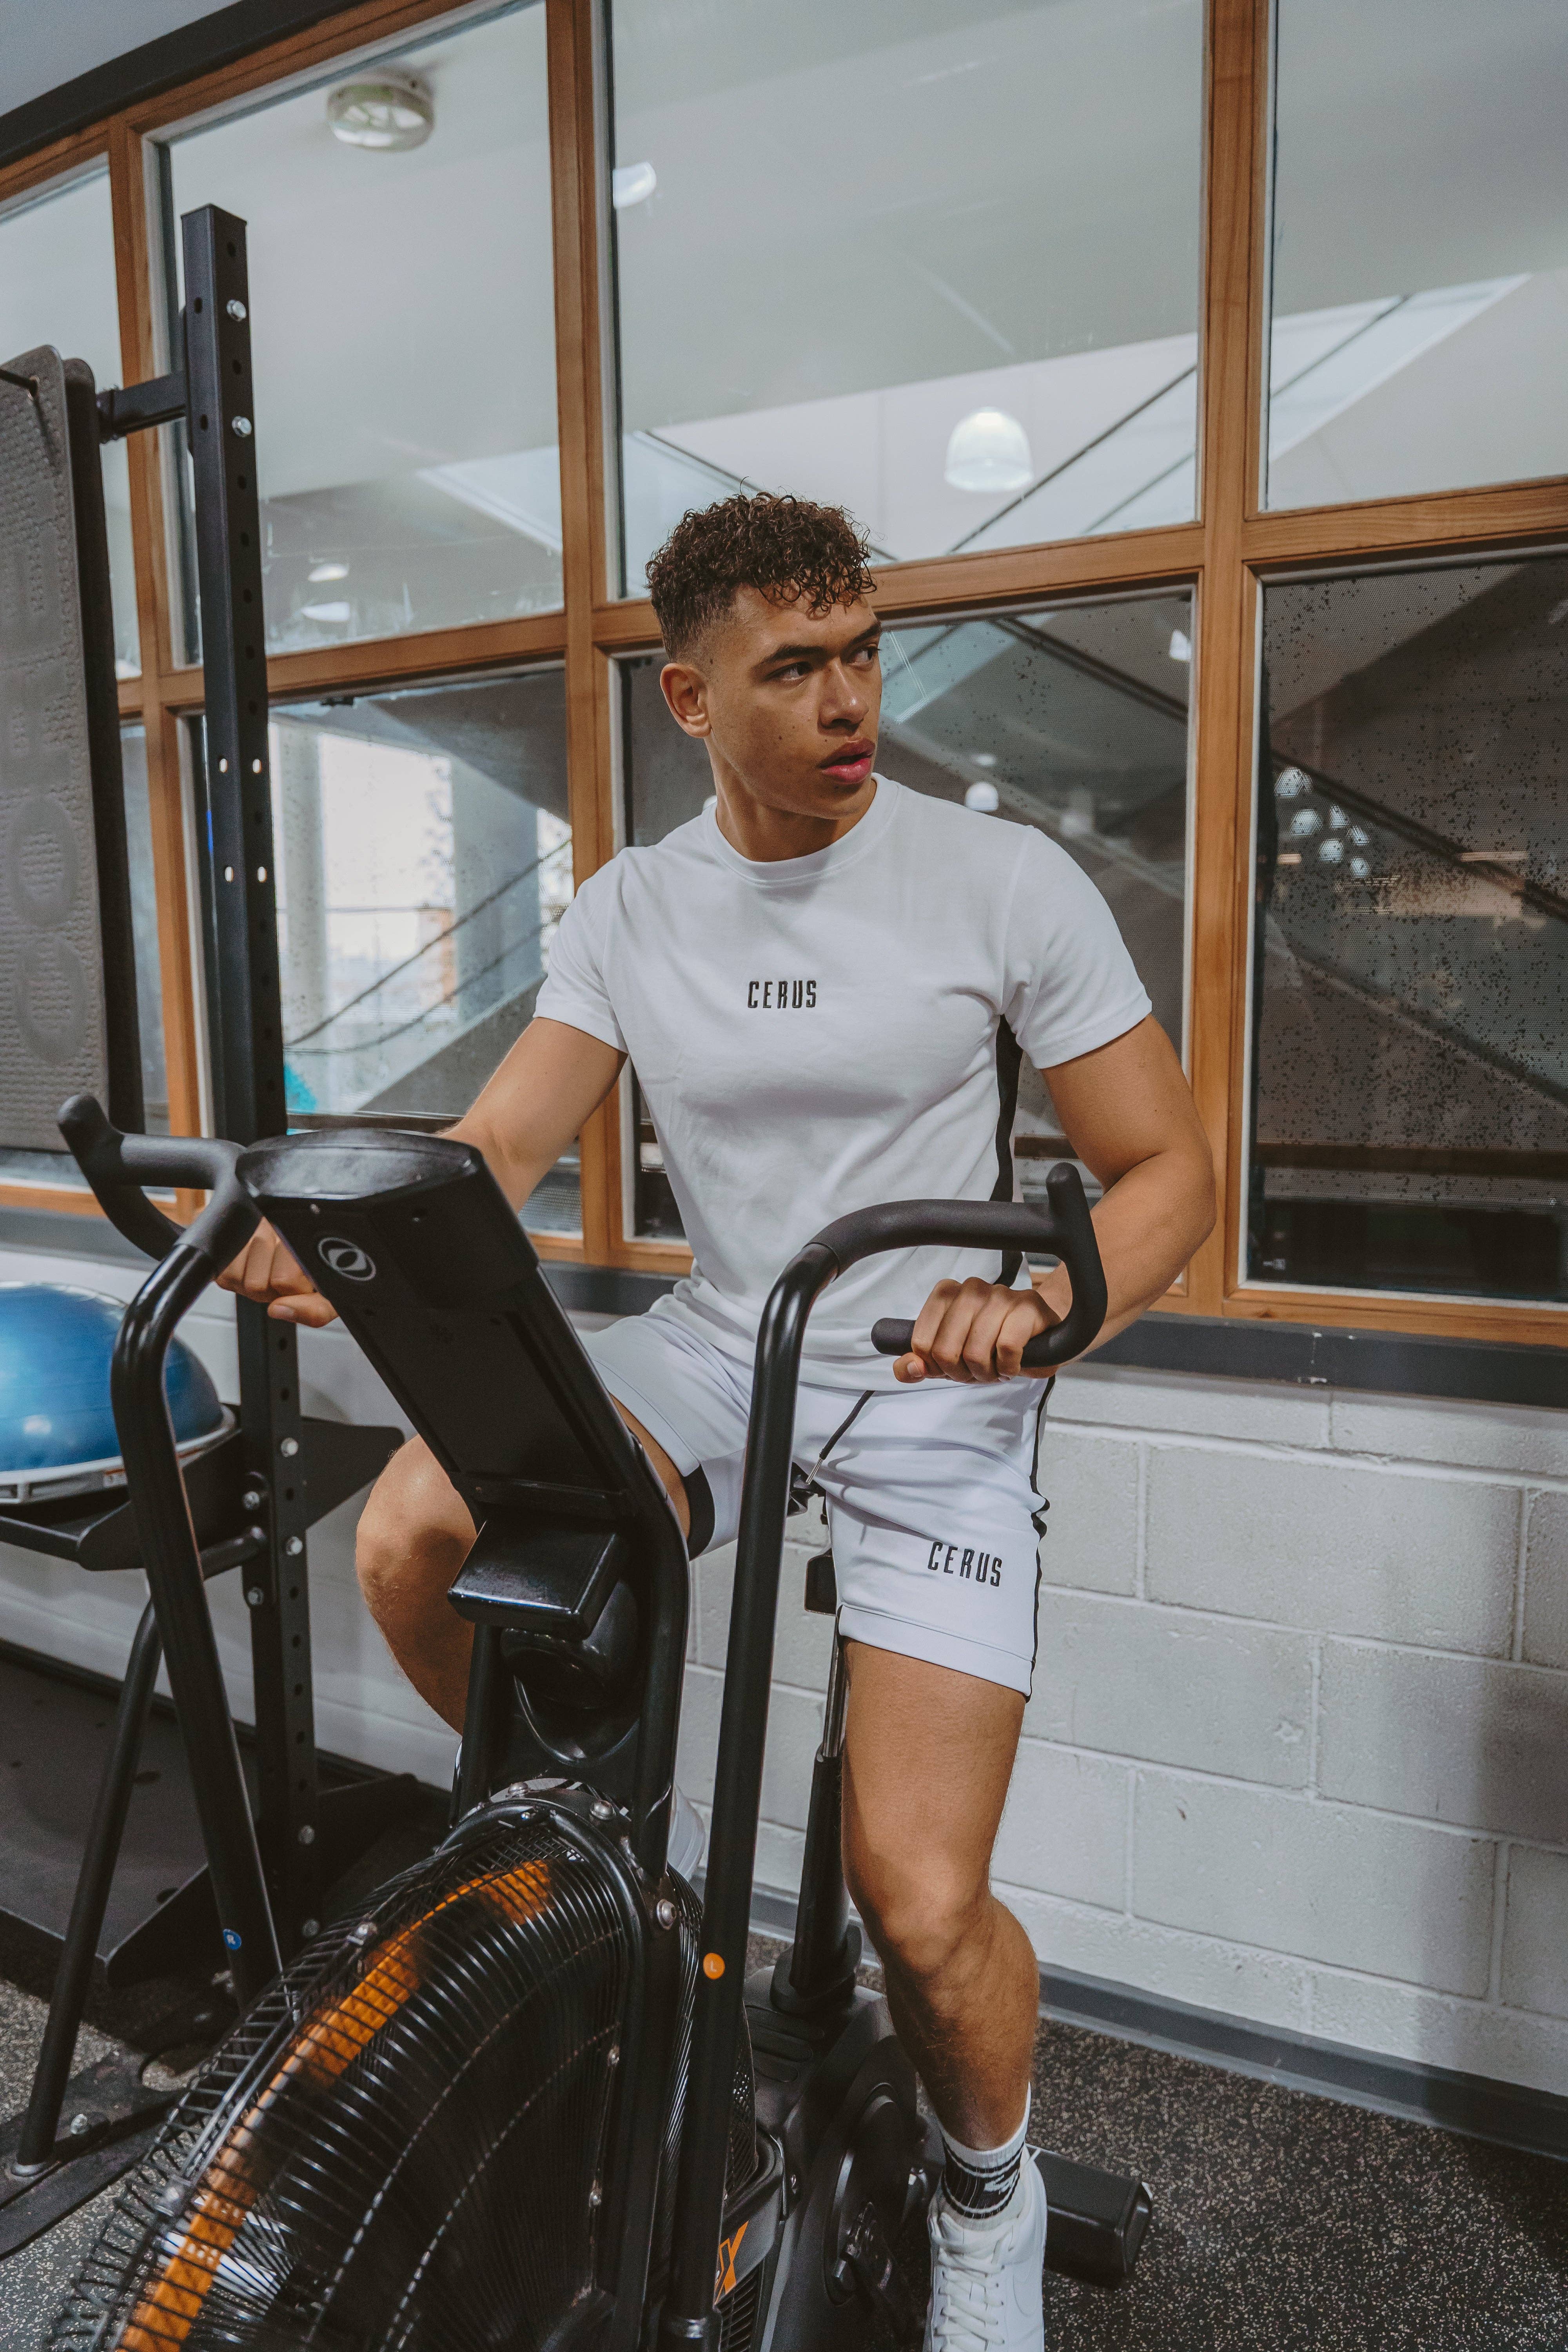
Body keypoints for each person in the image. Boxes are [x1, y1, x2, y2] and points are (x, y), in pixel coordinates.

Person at [221, 492, 1214, 2350]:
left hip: (929, 1376)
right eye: (795, 668)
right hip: (724, 1344)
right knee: (415, 1531)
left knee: (918, 1901)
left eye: (865, 657)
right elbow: (496, 1142)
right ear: (689, 696)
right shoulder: (633, 907)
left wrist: (1047, 1306)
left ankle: (986, 2198)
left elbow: (1169, 1172)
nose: (849, 702)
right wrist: (340, 1228)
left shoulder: (999, 882)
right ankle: (633, 1911)